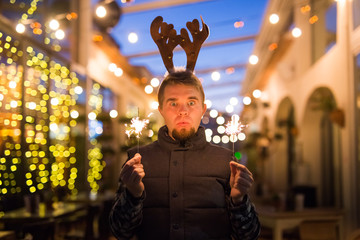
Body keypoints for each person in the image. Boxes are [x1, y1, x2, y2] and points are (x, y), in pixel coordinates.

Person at [109, 71, 261, 239]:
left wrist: (239, 200)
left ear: (203, 109)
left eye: (191, 102)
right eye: (173, 103)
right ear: (161, 110)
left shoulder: (226, 162)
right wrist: (133, 195)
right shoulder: (137, 161)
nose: (183, 111)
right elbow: (120, 232)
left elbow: (249, 235)